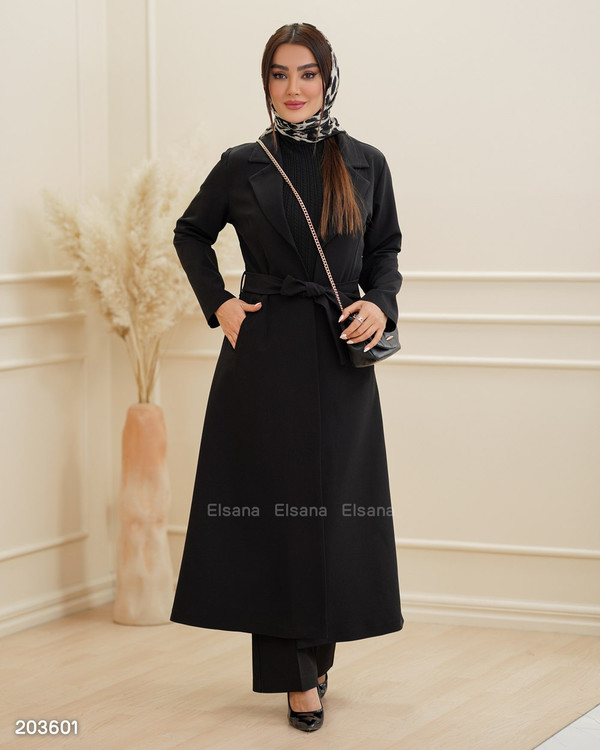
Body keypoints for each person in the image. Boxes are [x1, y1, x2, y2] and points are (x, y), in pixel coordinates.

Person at [169, 22, 404, 732]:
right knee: (277, 514)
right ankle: (297, 676)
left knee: (331, 513)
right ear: (266, 82)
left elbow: (385, 251)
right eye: (280, 74)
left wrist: (380, 303)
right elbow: (190, 232)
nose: (293, 88)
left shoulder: (365, 162)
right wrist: (220, 304)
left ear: (327, 79)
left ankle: (315, 658)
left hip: (339, 354)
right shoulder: (243, 163)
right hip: (265, 355)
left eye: (306, 73)